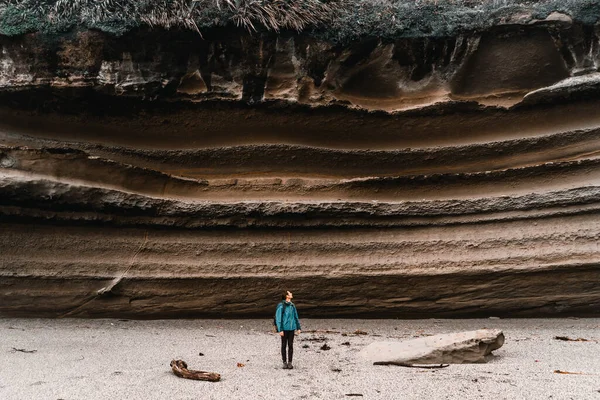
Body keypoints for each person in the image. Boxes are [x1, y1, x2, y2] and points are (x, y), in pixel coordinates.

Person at [275, 290, 301, 369]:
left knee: (290, 345)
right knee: (283, 345)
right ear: (287, 296)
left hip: (291, 328)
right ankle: (284, 362)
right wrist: (280, 329)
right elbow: (278, 318)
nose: (291, 294)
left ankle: (290, 362)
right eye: (290, 293)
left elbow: (296, 317)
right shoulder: (281, 306)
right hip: (284, 329)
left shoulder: (292, 305)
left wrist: (298, 327)